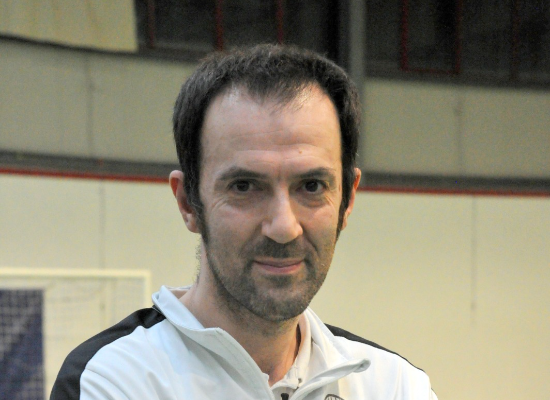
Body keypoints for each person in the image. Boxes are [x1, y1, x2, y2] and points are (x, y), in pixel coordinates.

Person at [51, 44, 437, 400]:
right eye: (244, 186)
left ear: (347, 199)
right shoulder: (112, 380)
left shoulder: (393, 385)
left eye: (312, 186)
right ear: (188, 202)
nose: (284, 227)